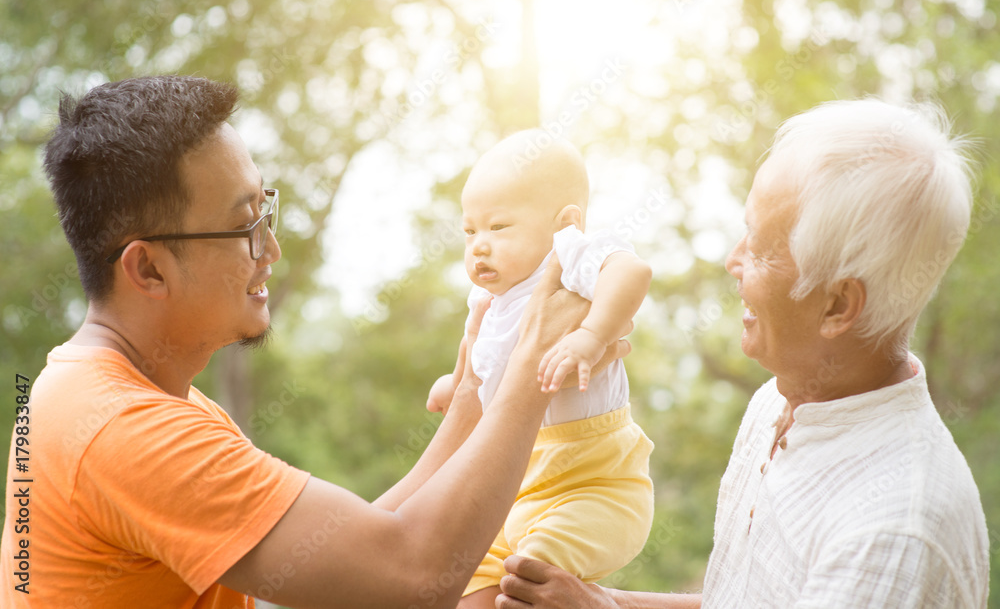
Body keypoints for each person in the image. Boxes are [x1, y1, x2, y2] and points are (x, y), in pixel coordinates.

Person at [0, 75, 631, 608]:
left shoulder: (125, 399)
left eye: (264, 213)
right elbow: (413, 576)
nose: (270, 250)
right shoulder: (126, 431)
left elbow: (360, 551)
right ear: (147, 269)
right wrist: (529, 364)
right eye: (242, 227)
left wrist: (472, 395)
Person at [496, 98, 990, 609]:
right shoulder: (776, 403)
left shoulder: (893, 536)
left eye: (758, 248)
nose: (732, 260)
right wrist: (604, 601)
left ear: (838, 305)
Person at [426, 131, 655, 608]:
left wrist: (591, 336)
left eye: (499, 227)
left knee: (531, 574)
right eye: (470, 231)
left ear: (565, 223)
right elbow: (480, 355)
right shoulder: (488, 298)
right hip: (517, 488)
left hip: (593, 485)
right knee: (463, 576)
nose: (479, 246)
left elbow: (632, 273)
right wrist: (458, 383)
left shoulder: (568, 255)